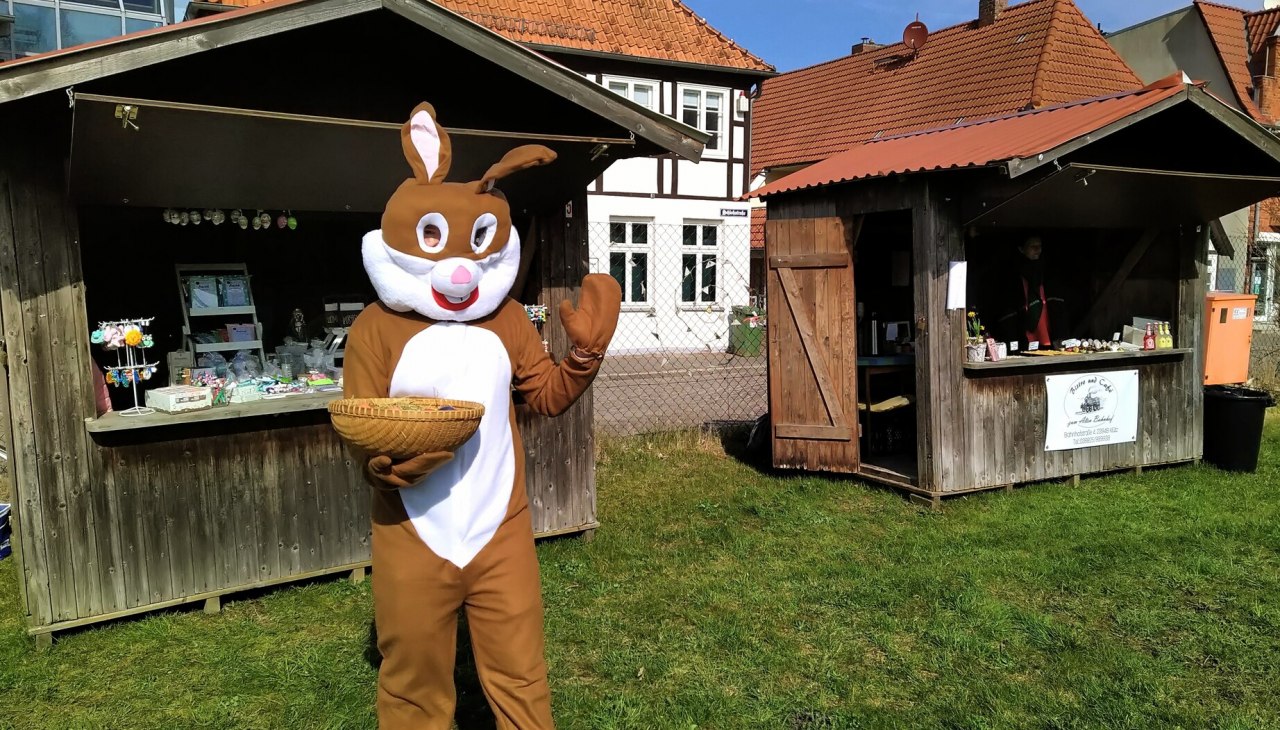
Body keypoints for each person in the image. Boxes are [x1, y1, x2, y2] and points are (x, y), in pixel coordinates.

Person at [994, 236, 1065, 349]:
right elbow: (1009, 310)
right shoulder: (1013, 276)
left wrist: (1059, 334)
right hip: (1025, 332)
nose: (1038, 249)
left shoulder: (1047, 273)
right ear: (1021, 249)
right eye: (1033, 246)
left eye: (1040, 246)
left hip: (1047, 330)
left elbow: (1058, 307)